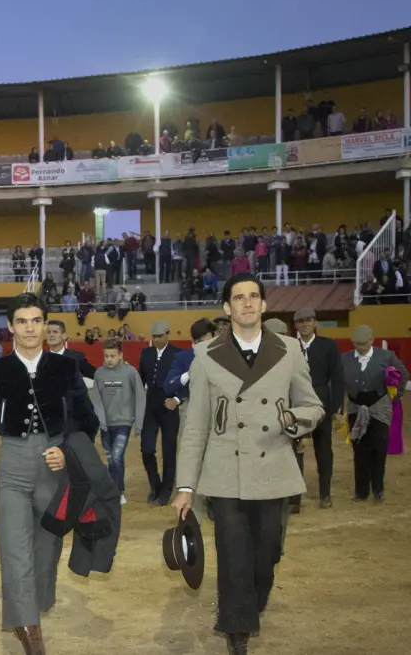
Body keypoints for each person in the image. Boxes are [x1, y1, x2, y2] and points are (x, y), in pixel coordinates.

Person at [172, 273, 324, 655]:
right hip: (226, 471)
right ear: (227, 307)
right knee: (232, 552)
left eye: (254, 296)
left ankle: (252, 601)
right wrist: (185, 486)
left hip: (274, 468)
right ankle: (236, 628)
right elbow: (196, 425)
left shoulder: (290, 349)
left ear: (264, 304)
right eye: (239, 297)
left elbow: (313, 406)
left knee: (267, 554)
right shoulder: (206, 355)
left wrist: (292, 419)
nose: (247, 303)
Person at [0, 293, 100, 653]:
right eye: (22, 321)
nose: (29, 328)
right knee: (14, 549)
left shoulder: (66, 367)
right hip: (13, 467)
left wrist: (66, 450)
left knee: (47, 549)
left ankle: (31, 607)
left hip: (54, 467)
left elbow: (88, 420)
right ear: (10, 326)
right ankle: (29, 628)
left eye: (36, 320)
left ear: (46, 325)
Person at [341, 325, 408, 502]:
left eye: (364, 343)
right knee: (359, 450)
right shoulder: (344, 359)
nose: (361, 347)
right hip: (355, 408)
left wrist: (395, 396)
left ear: (372, 340)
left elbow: (403, 375)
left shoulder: (386, 356)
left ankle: (378, 489)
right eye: (357, 344)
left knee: (379, 448)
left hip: (380, 407)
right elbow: (338, 382)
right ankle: (361, 492)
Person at [292, 308, 345, 510]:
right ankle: (295, 500)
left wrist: (337, 408)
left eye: (308, 320)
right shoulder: (290, 345)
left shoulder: (328, 345)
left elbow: (338, 378)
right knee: (296, 450)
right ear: (296, 325)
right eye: (301, 321)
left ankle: (325, 494)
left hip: (322, 404)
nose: (305, 324)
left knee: (323, 450)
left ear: (315, 322)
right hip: (297, 405)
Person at [91, 338, 145, 504]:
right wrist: (101, 421)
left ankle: (119, 492)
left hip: (123, 422)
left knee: (116, 457)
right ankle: (112, 491)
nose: (109, 359)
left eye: (113, 356)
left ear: (121, 355)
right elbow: (96, 400)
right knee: (110, 459)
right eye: (106, 356)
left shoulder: (130, 372)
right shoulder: (99, 374)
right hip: (105, 424)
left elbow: (140, 397)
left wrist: (138, 424)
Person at [138, 320, 184, 505]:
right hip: (150, 406)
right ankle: (155, 485)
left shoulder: (178, 354)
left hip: (169, 407)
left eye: (160, 336)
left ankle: (165, 492)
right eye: (154, 337)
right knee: (147, 449)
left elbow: (187, 380)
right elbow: (140, 380)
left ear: (167, 334)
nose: (156, 340)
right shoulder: (146, 353)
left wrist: (178, 399)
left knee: (169, 450)